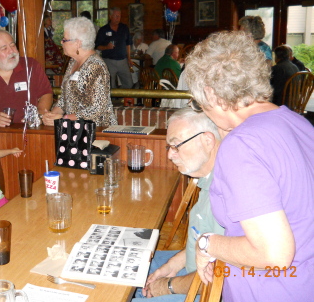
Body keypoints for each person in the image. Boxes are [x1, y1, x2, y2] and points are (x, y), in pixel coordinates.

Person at [184, 31, 314, 302]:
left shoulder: (242, 145)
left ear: (211, 94)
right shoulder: (298, 122)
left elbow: (274, 254)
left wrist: (207, 243)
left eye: (198, 102)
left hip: (273, 291)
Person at [133, 108, 224, 302]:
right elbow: (204, 242)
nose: (170, 155)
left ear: (208, 141)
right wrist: (173, 264)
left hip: (202, 290)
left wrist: (167, 286)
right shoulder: (210, 178)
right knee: (128, 263)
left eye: (176, 145)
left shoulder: (223, 195)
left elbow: (219, 274)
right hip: (190, 269)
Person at [42, 17, 117, 127]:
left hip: (97, 130)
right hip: (75, 129)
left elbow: (96, 109)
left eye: (65, 39)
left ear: (78, 43)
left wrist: (64, 118)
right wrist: (53, 115)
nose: (61, 42)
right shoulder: (73, 61)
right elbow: (64, 98)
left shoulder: (96, 66)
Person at [95, 7, 133, 89]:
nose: (118, 18)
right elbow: (97, 46)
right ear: (110, 16)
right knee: (110, 86)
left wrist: (129, 58)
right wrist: (106, 47)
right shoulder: (103, 30)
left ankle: (122, 98)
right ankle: (113, 101)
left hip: (123, 61)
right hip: (109, 61)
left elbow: (128, 44)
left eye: (119, 16)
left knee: (129, 84)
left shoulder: (124, 28)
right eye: (116, 16)